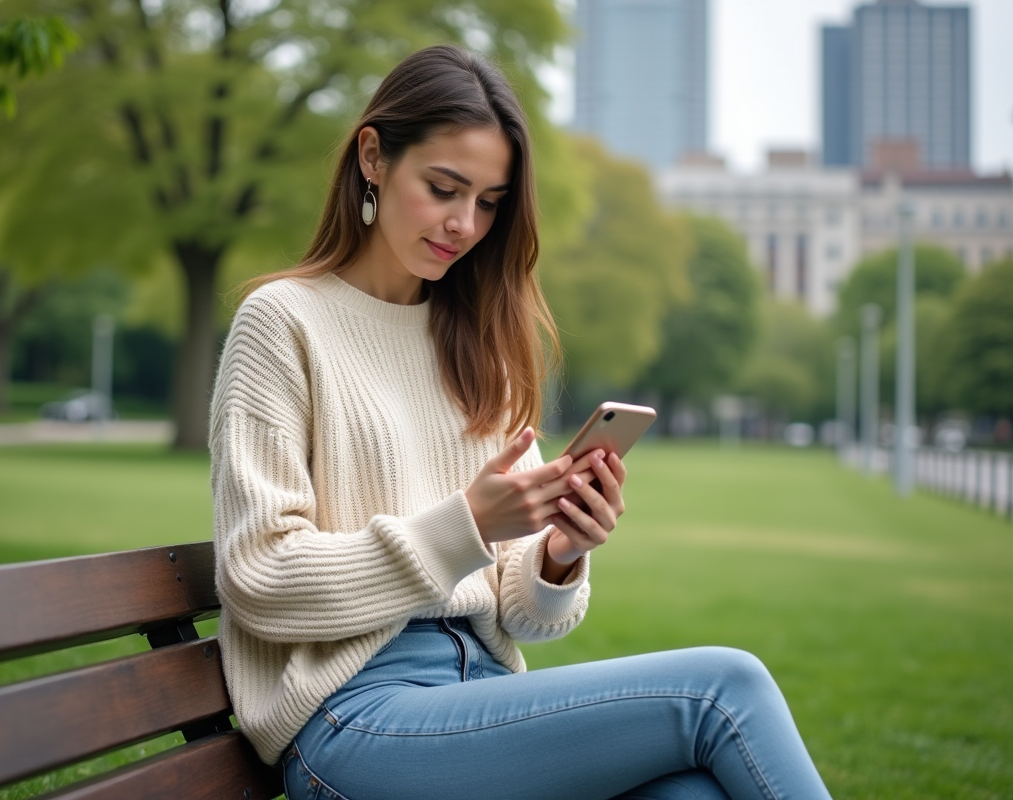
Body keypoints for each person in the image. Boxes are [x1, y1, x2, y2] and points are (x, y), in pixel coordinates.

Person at [208, 45, 832, 800]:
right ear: (373, 156)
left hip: (478, 697)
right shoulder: (282, 323)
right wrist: (465, 524)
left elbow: (521, 615)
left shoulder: (476, 344)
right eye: (444, 188)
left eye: (490, 202)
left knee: (693, 795)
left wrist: (560, 554)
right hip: (352, 721)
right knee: (724, 687)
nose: (465, 224)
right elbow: (259, 580)